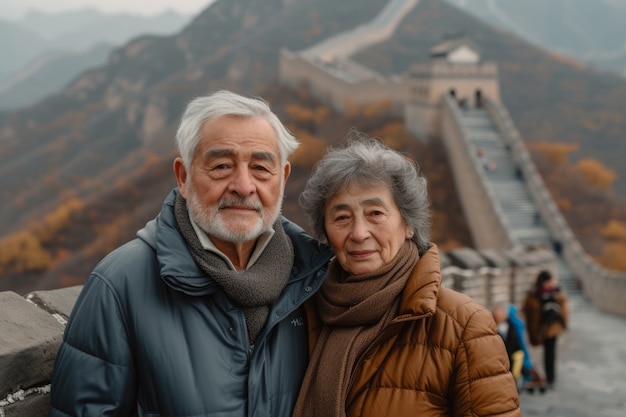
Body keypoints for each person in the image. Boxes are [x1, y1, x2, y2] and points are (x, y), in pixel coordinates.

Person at [48, 90, 333, 417]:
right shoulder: (120, 284)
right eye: (222, 166)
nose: (243, 185)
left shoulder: (313, 276)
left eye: (260, 168)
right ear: (183, 177)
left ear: (282, 179)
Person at [293, 134, 521, 417]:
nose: (359, 233)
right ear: (325, 233)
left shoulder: (464, 327)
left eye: (375, 213)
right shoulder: (301, 314)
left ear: (408, 225)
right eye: (341, 218)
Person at [523, 269, 569, 388]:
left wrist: (564, 324)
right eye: (550, 281)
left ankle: (550, 378)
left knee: (550, 353)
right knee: (537, 351)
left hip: (552, 327)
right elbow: (528, 313)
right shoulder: (534, 295)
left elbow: (564, 310)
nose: (553, 283)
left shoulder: (557, 294)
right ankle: (538, 375)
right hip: (538, 327)